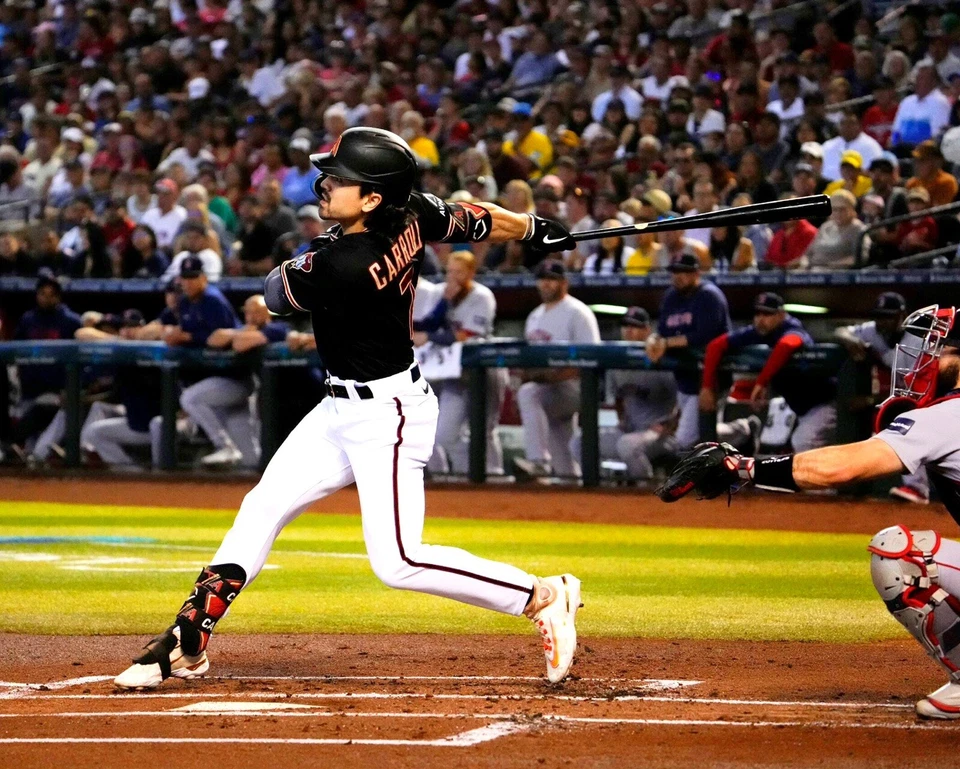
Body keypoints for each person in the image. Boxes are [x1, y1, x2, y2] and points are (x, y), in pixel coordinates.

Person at [114, 127, 583, 691]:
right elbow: (475, 217)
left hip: (388, 413)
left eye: (339, 180)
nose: (324, 185)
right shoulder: (410, 213)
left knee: (399, 562)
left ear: (372, 198)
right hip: (337, 408)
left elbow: (274, 293)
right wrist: (532, 227)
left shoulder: (345, 262)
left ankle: (541, 596)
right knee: (262, 506)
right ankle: (189, 636)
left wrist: (314, 250)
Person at [660, 303, 960, 720]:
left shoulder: (947, 415)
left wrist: (742, 467)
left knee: (901, 556)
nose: (918, 363)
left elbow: (841, 468)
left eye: (936, 352)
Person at [700, 292, 837, 454]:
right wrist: (707, 387)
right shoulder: (757, 332)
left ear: (781, 315)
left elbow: (787, 345)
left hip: (827, 402)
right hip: (804, 408)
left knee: (804, 442)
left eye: (767, 314)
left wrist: (761, 382)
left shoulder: (791, 327)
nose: (760, 319)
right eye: (757, 314)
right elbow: (715, 346)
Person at [412, 252, 507, 475]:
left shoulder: (481, 296)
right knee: (444, 435)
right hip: (454, 373)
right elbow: (425, 325)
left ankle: (494, 476)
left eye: (459, 273)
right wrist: (444, 302)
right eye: (450, 272)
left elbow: (467, 335)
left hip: (483, 370)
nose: (453, 277)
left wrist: (431, 337)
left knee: (484, 429)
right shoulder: (441, 292)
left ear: (471, 273)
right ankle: (469, 477)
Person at [835, 292, 929, 504]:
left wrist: (870, 400)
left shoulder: (917, 341)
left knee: (912, 431)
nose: (882, 321)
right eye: (878, 316)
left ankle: (918, 488)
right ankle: (869, 488)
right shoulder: (872, 331)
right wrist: (851, 341)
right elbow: (841, 331)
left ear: (902, 316)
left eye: (888, 316)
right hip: (895, 396)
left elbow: (915, 390)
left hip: (922, 394)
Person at [516, 258, 601, 479]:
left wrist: (549, 378)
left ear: (564, 283)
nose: (546, 283)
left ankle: (538, 461)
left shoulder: (577, 312)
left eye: (552, 279)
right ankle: (571, 485)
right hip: (550, 390)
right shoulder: (534, 316)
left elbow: (591, 360)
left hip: (577, 387)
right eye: (542, 279)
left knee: (529, 394)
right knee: (563, 457)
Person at [571, 307, 678, 481]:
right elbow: (619, 397)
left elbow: (682, 401)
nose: (628, 330)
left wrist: (668, 426)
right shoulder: (618, 361)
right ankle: (601, 486)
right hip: (631, 431)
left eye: (634, 326)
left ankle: (646, 489)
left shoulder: (659, 360)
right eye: (625, 325)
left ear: (647, 330)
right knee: (579, 442)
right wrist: (622, 419)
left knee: (627, 445)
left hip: (661, 435)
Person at [163, 255, 248, 468]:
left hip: (234, 377)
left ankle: (224, 446)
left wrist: (187, 337)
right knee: (247, 457)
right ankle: (221, 451)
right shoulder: (184, 303)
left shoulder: (213, 300)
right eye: (185, 278)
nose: (188, 282)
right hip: (211, 382)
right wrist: (177, 335)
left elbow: (218, 339)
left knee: (190, 399)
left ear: (204, 278)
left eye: (193, 277)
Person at [645, 252, 731, 450]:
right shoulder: (671, 296)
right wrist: (653, 340)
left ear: (696, 273)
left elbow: (705, 336)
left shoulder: (709, 296)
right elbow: (662, 331)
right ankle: (741, 430)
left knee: (685, 439)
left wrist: (666, 343)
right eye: (674, 272)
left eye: (683, 272)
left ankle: (740, 432)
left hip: (710, 377)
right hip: (684, 379)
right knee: (701, 434)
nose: (678, 276)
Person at [906, 140, 959, 208]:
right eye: (916, 160)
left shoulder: (947, 182)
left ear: (936, 162)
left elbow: (939, 211)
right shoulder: (912, 183)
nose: (917, 165)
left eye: (923, 160)